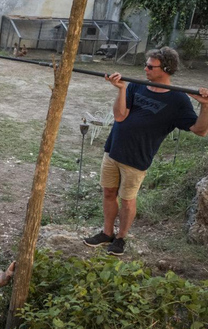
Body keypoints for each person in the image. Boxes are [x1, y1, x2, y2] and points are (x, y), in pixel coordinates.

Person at [83, 47, 208, 255]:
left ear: (166, 69)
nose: (145, 69)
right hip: (113, 149)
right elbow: (120, 116)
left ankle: (121, 238)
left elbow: (200, 130)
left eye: (150, 66)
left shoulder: (178, 100)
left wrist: (206, 106)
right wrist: (121, 89)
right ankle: (107, 233)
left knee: (127, 199)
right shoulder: (136, 86)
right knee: (108, 192)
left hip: (137, 157)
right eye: (146, 65)